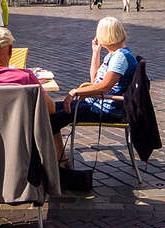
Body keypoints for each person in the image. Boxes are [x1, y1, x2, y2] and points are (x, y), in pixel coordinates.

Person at [49, 16, 138, 164]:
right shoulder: (114, 54)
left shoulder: (120, 57)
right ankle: (59, 158)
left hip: (108, 108)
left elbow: (104, 86)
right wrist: (96, 52)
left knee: (53, 119)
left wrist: (75, 92)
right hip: (97, 102)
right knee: (50, 109)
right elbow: (95, 80)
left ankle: (59, 161)